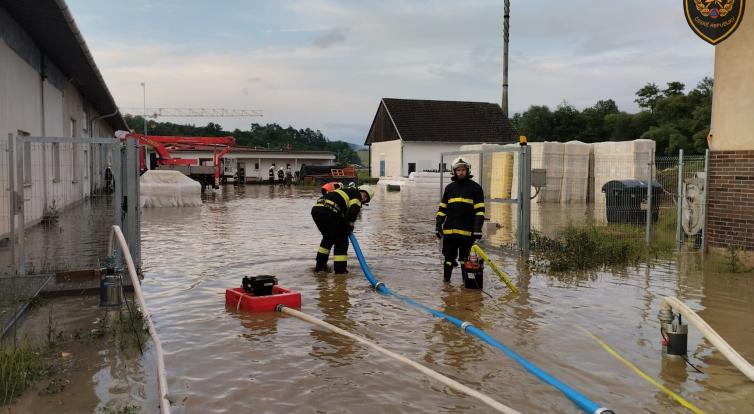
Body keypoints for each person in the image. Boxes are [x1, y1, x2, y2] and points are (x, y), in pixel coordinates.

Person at [435, 157, 485, 282]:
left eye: (463, 170)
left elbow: (480, 211)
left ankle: (465, 284)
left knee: (465, 260)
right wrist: (438, 226)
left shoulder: (476, 188)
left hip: (467, 233)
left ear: (468, 171)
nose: (461, 172)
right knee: (448, 259)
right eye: (458, 170)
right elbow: (442, 209)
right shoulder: (449, 188)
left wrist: (477, 229)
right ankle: (446, 285)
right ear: (454, 172)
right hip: (450, 232)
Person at [312, 184, 375, 274]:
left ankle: (320, 267)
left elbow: (343, 211)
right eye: (365, 196)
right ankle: (340, 271)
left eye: (365, 200)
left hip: (316, 210)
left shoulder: (344, 191)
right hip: (330, 211)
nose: (363, 200)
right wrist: (350, 225)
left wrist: (345, 224)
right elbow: (353, 212)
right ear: (360, 190)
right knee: (341, 241)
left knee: (328, 238)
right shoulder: (356, 194)